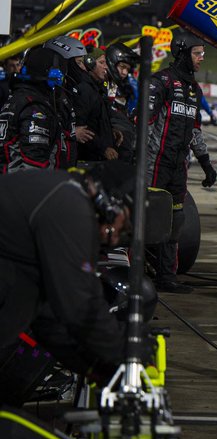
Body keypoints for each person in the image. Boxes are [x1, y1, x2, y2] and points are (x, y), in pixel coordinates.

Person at [0, 161, 149, 400]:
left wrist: (98, 370)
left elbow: (50, 320)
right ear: (111, 204)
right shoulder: (71, 206)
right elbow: (79, 307)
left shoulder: (68, 195)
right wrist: (126, 351)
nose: (119, 237)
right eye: (126, 223)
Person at [143, 30, 217, 294]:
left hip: (178, 168)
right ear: (183, 52)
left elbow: (195, 130)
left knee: (175, 222)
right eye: (197, 53)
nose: (201, 59)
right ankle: (133, 272)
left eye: (202, 54)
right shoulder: (161, 81)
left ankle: (166, 277)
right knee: (146, 218)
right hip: (154, 165)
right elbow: (145, 124)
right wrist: (138, 159)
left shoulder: (193, 89)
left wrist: (206, 162)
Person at [0, 46, 76, 172]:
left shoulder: (18, 98)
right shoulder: (35, 108)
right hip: (25, 187)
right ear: (54, 76)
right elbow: (34, 164)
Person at [73, 48, 119, 163]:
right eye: (102, 63)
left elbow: (97, 119)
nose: (106, 67)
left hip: (96, 156)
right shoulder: (85, 89)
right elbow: (82, 129)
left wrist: (111, 130)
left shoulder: (96, 88)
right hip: (89, 158)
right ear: (90, 63)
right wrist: (103, 148)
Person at [104, 43, 139, 164]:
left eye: (127, 69)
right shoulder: (101, 84)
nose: (124, 73)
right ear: (112, 63)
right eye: (122, 67)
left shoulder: (120, 87)